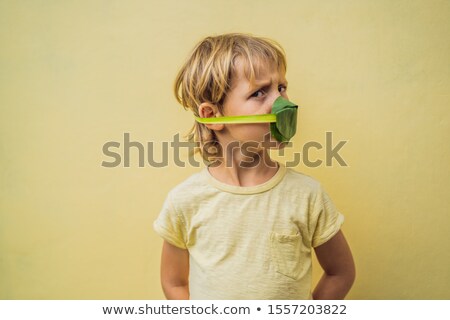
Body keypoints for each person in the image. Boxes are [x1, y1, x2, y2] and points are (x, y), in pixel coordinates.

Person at [153, 33, 355, 300]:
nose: (283, 104)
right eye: (259, 92)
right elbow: (174, 282)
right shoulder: (185, 201)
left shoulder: (307, 196)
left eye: (281, 88)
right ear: (213, 116)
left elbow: (340, 272)